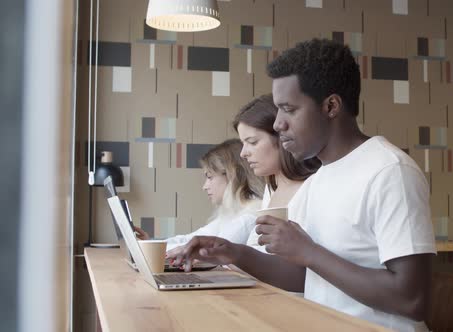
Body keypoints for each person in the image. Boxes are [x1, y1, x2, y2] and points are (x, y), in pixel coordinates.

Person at [171, 39, 436, 332]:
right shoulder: (319, 180)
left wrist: (309, 251)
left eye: (288, 109)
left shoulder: (389, 171)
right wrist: (234, 252)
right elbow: (305, 276)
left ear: (331, 106)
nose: (277, 124)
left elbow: (412, 299)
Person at [134, 138, 264, 251]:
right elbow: (191, 240)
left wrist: (150, 247)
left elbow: (203, 251)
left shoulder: (248, 218)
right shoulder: (232, 214)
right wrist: (150, 243)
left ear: (231, 175)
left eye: (210, 177)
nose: (204, 186)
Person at [231, 94, 320, 251]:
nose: (243, 153)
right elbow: (257, 247)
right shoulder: (271, 188)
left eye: (252, 142)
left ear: (282, 137)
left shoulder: (314, 187)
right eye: (242, 143)